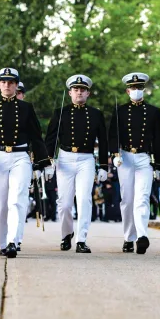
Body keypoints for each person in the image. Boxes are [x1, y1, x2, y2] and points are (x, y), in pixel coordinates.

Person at [0, 68, 52, 258]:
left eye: (11, 82)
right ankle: (3, 242)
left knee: (17, 199)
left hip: (20, 156)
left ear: (16, 85)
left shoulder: (26, 108)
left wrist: (44, 162)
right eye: (4, 82)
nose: (7, 85)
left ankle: (13, 241)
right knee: (1, 203)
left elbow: (36, 136)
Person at [45, 75, 108, 253]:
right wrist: (48, 161)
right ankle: (66, 234)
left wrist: (103, 165)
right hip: (65, 157)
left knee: (84, 199)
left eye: (82, 90)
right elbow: (51, 139)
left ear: (88, 93)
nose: (79, 92)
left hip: (86, 159)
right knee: (64, 203)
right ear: (70, 92)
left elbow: (103, 141)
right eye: (76, 89)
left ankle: (81, 239)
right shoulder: (61, 112)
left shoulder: (96, 114)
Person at [109, 73, 160, 254]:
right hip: (125, 157)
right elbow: (113, 134)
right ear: (127, 90)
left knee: (142, 198)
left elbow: (157, 139)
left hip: (144, 158)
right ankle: (128, 237)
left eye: (139, 88)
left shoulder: (153, 112)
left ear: (143, 90)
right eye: (133, 88)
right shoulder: (120, 111)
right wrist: (115, 153)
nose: (136, 91)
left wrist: (159, 162)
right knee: (127, 199)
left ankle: (141, 236)